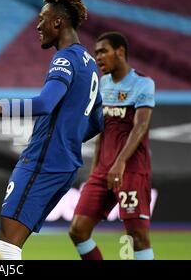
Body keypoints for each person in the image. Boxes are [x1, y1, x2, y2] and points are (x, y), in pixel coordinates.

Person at [0, 0, 103, 260]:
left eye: (43, 18)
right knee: (11, 246)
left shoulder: (65, 59)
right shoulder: (90, 64)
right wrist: (67, 136)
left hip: (43, 162)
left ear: (58, 22)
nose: (37, 25)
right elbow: (97, 121)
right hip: (65, 164)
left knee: (6, 248)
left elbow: (45, 103)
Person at [69, 32, 155, 260]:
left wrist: (120, 163)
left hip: (131, 170)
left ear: (120, 52)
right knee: (78, 230)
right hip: (103, 171)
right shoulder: (102, 85)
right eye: (96, 53)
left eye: (103, 51)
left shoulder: (143, 84)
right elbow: (101, 131)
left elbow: (140, 126)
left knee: (137, 236)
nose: (98, 57)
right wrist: (95, 170)